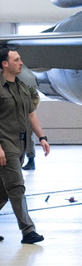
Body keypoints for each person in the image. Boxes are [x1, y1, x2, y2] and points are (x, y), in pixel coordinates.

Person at [0, 48, 50, 244]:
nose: (21, 63)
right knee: (17, 186)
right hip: (5, 144)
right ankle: (28, 231)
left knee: (3, 192)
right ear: (5, 64)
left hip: (21, 143)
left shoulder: (22, 87)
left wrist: (42, 137)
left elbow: (31, 114)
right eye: (16, 60)